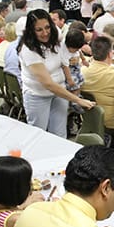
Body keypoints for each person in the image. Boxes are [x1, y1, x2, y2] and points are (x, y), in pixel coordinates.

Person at [18, 9, 94, 137]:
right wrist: (78, 100)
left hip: (60, 92)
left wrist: (73, 56)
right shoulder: (28, 50)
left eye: (47, 27)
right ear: (31, 31)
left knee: (59, 135)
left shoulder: (56, 34)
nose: (45, 33)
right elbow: (48, 84)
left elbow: (67, 50)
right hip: (38, 95)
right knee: (38, 135)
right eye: (39, 30)